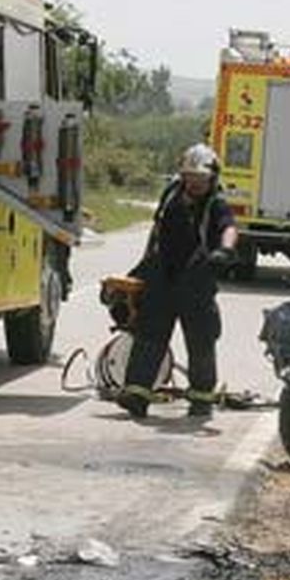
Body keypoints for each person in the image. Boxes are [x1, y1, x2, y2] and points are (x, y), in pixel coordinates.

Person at [118, 143, 239, 418]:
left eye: (200, 179)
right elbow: (157, 233)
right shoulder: (171, 194)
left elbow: (229, 228)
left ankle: (201, 398)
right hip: (162, 276)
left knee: (201, 340)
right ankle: (137, 394)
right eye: (190, 177)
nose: (194, 184)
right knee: (149, 335)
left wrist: (225, 250)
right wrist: (140, 271)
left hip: (196, 280)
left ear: (212, 178)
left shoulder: (216, 204)